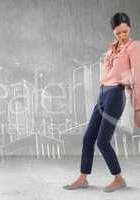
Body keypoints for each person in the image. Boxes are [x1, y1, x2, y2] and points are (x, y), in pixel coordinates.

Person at [63, 12, 140, 192]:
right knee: (88, 137)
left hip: (115, 95)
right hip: (103, 93)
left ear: (129, 28)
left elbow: (137, 78)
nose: (122, 35)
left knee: (103, 141)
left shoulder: (135, 47)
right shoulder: (112, 49)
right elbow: (109, 73)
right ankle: (83, 178)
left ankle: (118, 178)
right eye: (118, 32)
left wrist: (138, 108)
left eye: (125, 31)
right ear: (113, 32)